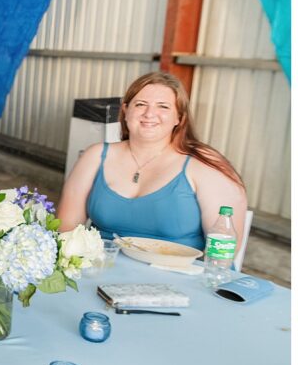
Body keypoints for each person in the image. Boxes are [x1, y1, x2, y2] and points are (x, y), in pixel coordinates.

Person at [57, 72, 247, 249]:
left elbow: (224, 252)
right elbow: (65, 231)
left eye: (163, 106)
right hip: (103, 270)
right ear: (125, 111)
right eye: (140, 104)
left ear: (178, 118)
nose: (149, 114)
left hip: (177, 279)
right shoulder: (95, 156)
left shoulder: (204, 163)